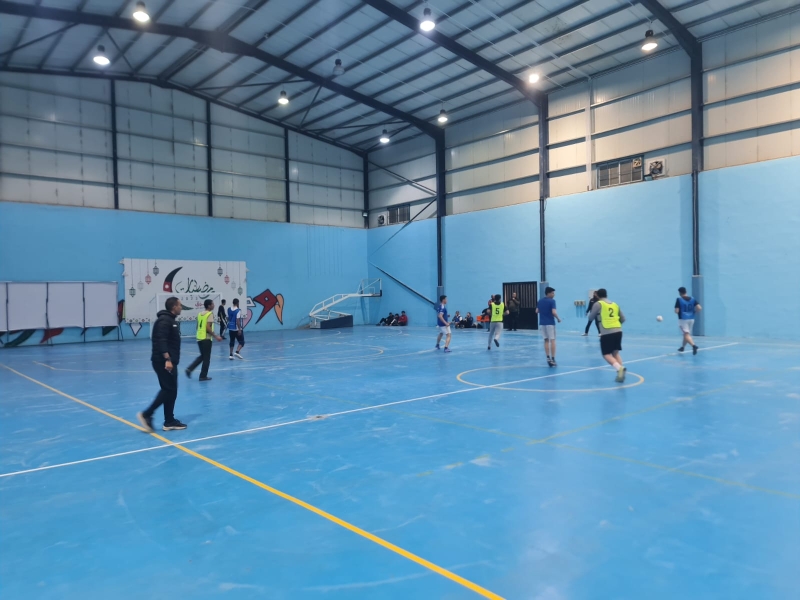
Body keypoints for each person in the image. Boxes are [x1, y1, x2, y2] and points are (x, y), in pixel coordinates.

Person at [137, 297, 187, 432]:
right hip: (163, 362)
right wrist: (167, 359)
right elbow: (161, 340)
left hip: (169, 362)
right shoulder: (164, 321)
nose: (181, 307)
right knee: (168, 389)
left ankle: (169, 421)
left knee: (172, 390)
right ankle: (147, 414)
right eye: (180, 305)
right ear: (174, 307)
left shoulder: (170, 320)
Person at [587, 288, 627, 382]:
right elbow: (623, 319)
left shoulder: (598, 304)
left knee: (606, 354)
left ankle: (619, 368)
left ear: (597, 295)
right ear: (606, 295)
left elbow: (591, 317)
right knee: (615, 353)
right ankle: (620, 374)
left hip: (607, 331)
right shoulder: (615, 304)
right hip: (618, 331)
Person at [186, 299, 223, 381]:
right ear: (209, 306)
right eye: (212, 304)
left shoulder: (200, 314)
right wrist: (215, 336)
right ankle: (203, 376)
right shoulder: (210, 314)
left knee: (202, 356)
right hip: (206, 338)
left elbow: (197, 327)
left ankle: (189, 369)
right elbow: (208, 327)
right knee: (206, 358)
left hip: (199, 337)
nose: (214, 305)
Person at [536, 287, 562, 367]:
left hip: (542, 323)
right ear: (549, 293)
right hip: (550, 323)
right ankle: (553, 359)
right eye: (552, 293)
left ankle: (548, 358)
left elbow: (537, 311)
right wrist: (558, 318)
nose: (554, 294)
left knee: (546, 340)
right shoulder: (552, 301)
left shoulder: (540, 301)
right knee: (552, 340)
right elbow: (554, 312)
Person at [675, 286, 702, 354]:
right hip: (691, 319)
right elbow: (699, 308)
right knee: (686, 334)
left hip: (683, 319)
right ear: (686, 292)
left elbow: (677, 311)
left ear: (680, 293)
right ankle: (682, 347)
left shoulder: (679, 300)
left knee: (686, 334)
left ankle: (694, 346)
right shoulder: (692, 299)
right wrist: (694, 312)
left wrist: (676, 310)